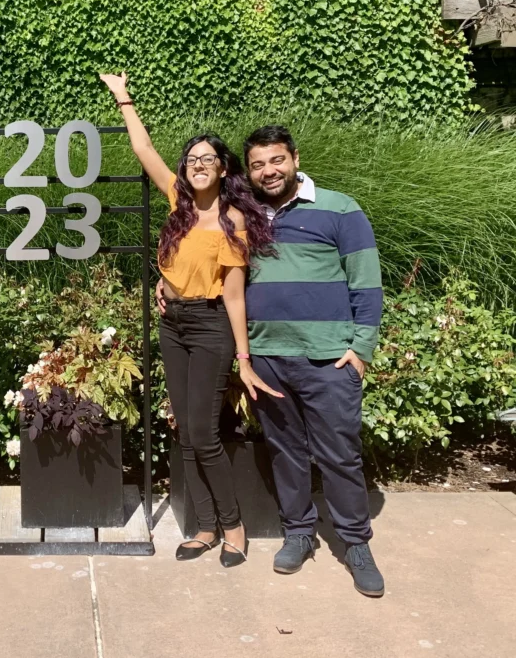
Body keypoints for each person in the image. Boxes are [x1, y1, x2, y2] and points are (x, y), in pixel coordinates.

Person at [99, 71, 280, 568]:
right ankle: (204, 526)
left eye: (208, 159)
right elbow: (143, 150)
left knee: (204, 435)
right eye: (192, 159)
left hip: (210, 326)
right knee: (183, 430)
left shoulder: (233, 221)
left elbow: (235, 296)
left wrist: (244, 358)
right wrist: (123, 97)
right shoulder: (178, 199)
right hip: (172, 324)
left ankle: (233, 527)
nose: (198, 165)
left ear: (224, 168)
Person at [242, 125, 385, 598]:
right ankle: (299, 533)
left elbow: (366, 282)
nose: (268, 171)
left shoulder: (339, 208)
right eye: (258, 164)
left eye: (276, 160)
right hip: (268, 356)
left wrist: (361, 348)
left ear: (295, 159)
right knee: (285, 451)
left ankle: (356, 544)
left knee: (339, 455)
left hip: (329, 359)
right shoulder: (244, 214)